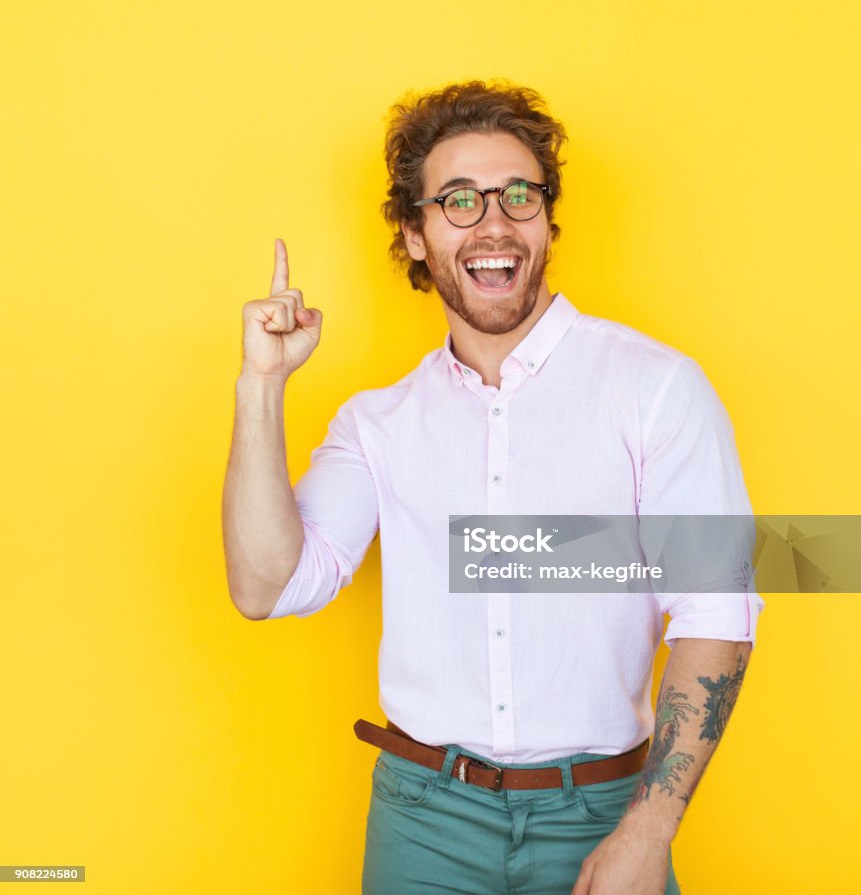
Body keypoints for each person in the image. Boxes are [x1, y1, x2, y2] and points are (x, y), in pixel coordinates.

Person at [221, 81, 764, 895]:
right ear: (414, 233)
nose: (494, 223)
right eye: (458, 201)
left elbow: (715, 608)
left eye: (518, 194)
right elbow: (268, 586)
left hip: (604, 810)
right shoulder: (379, 422)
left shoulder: (656, 387)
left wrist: (647, 831)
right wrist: (261, 385)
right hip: (422, 821)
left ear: (547, 220)